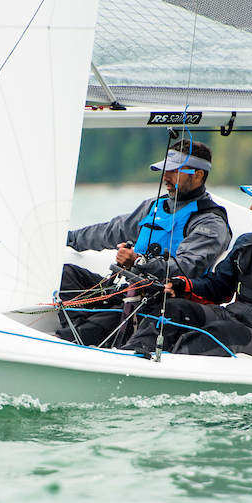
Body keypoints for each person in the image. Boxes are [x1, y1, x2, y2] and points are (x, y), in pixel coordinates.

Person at [122, 169, 252, 360]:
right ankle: (127, 359)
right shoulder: (246, 242)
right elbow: (218, 288)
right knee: (171, 309)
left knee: (219, 332)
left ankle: (164, 371)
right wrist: (184, 285)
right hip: (233, 315)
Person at [56, 139, 231, 347]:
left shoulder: (210, 222)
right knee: (63, 274)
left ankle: (86, 334)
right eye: (165, 170)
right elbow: (109, 230)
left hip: (156, 302)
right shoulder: (154, 206)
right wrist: (63, 239)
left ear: (198, 175)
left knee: (88, 332)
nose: (165, 177)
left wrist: (138, 262)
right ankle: (84, 332)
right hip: (124, 290)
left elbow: (187, 266)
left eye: (174, 171)